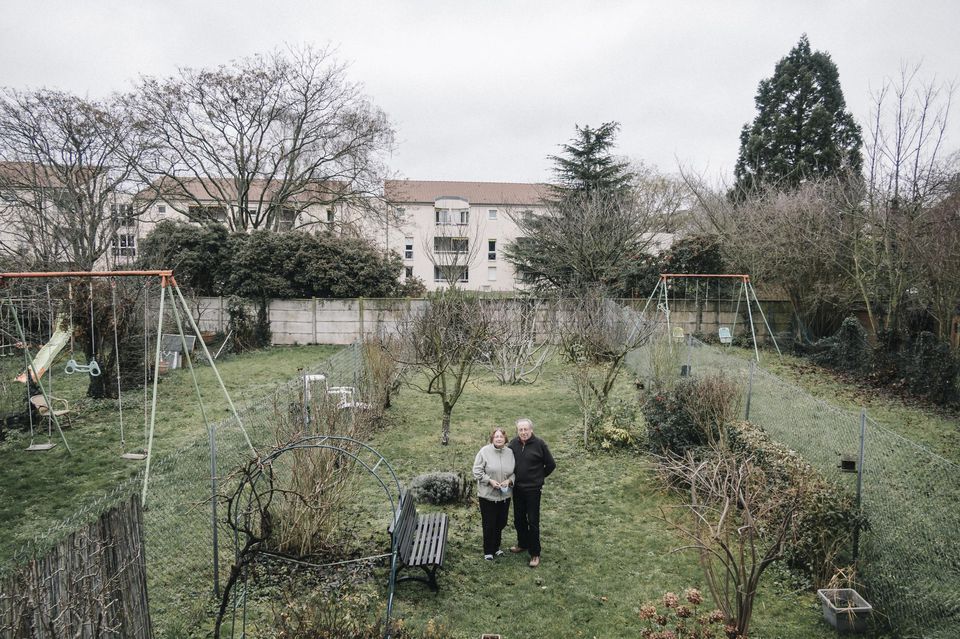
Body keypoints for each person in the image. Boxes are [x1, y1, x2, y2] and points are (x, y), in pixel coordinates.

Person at [507, 417, 555, 568]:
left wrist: (539, 478)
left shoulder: (539, 444)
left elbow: (551, 464)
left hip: (533, 490)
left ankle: (535, 553)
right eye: (520, 430)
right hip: (517, 489)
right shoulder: (513, 444)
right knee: (519, 519)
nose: (523, 432)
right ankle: (522, 544)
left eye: (525, 429)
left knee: (533, 521)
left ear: (531, 430)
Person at [472, 427, 516, 561]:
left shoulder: (510, 453)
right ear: (492, 438)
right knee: (489, 523)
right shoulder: (484, 452)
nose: (499, 439)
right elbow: (477, 471)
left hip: (504, 495)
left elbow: (514, 472)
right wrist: (489, 481)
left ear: (505, 439)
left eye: (501, 437)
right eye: (496, 436)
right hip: (488, 495)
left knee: (501, 522)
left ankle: (497, 547)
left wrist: (509, 481)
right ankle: (488, 550)